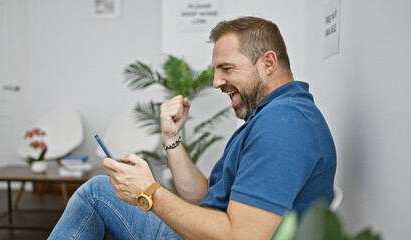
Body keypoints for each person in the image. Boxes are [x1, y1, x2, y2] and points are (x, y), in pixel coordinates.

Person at [49, 16, 336, 240]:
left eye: (226, 68)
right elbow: (204, 195)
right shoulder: (274, 115)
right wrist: (171, 139)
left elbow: (242, 236)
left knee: (97, 192)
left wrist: (148, 191)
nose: (216, 82)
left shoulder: (284, 125)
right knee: (100, 190)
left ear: (268, 63)